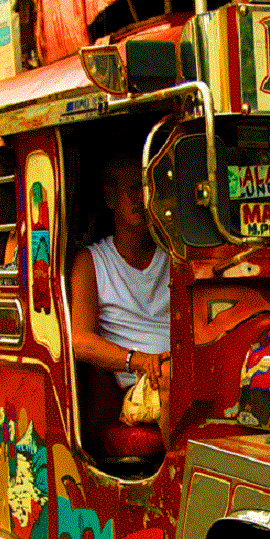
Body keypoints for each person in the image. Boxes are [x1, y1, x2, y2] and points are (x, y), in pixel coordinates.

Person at [70, 152, 171, 434]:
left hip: (181, 366)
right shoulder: (91, 262)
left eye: (149, 188)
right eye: (134, 189)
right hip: (140, 384)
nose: (143, 198)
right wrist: (141, 361)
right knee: (168, 377)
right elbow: (81, 341)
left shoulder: (175, 254)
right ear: (110, 198)